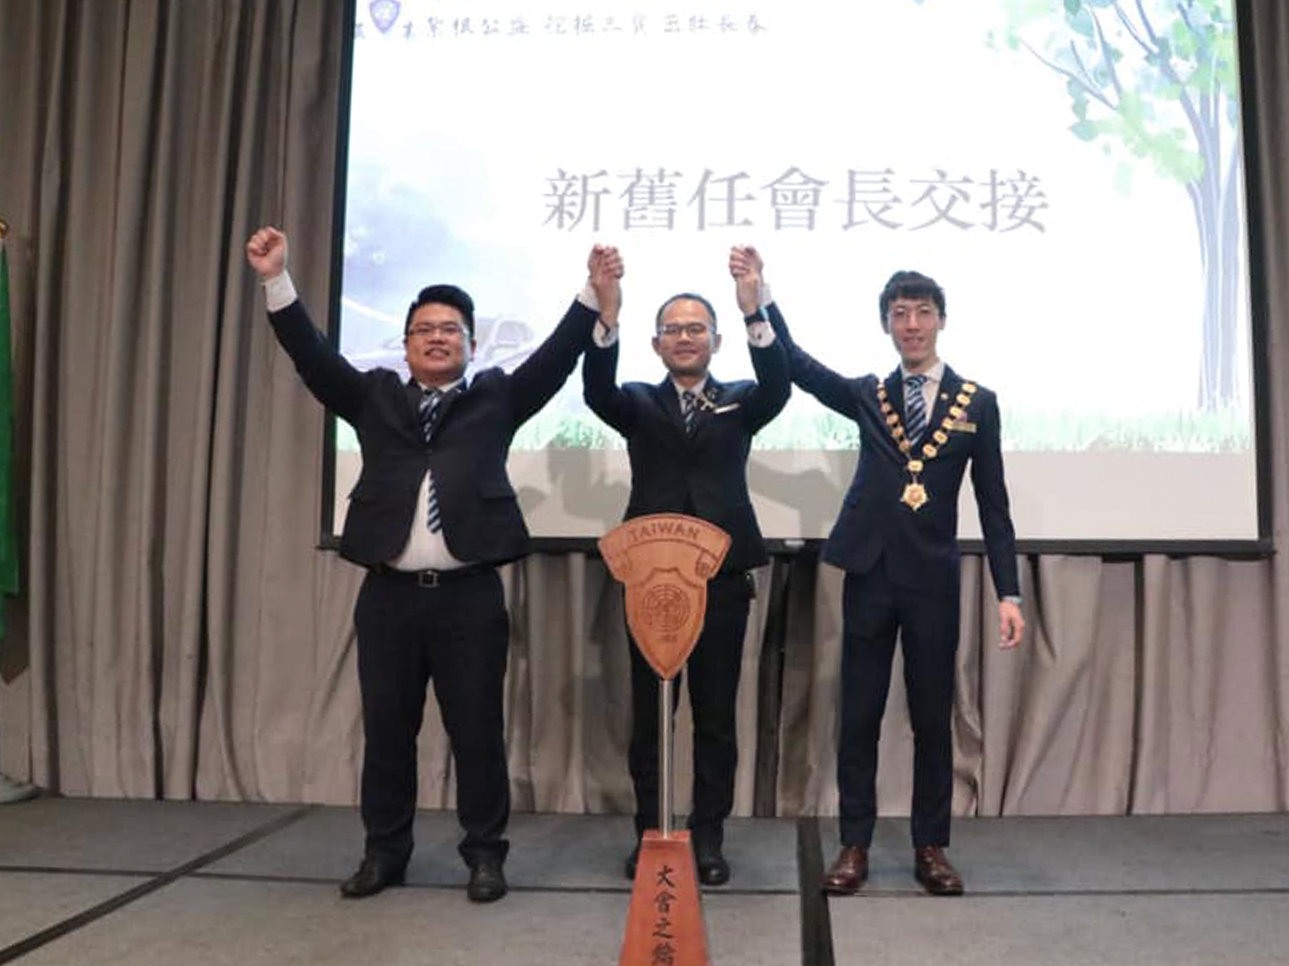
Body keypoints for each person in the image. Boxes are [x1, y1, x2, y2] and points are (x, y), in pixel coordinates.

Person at [245, 227, 621, 902]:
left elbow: (556, 359)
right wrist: (277, 279)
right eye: (424, 330)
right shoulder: (374, 397)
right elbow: (312, 357)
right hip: (388, 598)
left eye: (451, 330)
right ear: (406, 344)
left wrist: (591, 293)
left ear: (472, 344)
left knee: (477, 733)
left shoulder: (495, 398)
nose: (437, 338)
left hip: (468, 598)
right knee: (388, 733)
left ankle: (485, 856)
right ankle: (384, 854)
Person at [730, 248, 1024, 897]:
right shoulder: (870, 394)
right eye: (899, 314)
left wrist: (1009, 592)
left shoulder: (977, 403)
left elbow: (994, 504)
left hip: (933, 582)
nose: (911, 324)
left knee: (931, 718)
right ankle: (854, 844)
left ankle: (930, 847)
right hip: (869, 573)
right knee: (859, 714)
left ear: (941, 320)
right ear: (886, 324)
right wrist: (758, 301)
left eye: (922, 312)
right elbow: (798, 366)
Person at [583, 247, 790, 886]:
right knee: (652, 720)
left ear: (716, 341)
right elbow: (595, 390)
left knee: (716, 719)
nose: (684, 337)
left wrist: (755, 309)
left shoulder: (742, 400)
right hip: (650, 582)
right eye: (672, 329)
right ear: (656, 343)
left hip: (723, 580)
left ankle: (708, 839)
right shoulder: (638, 401)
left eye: (696, 328)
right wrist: (606, 316)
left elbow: (780, 385)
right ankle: (652, 834)